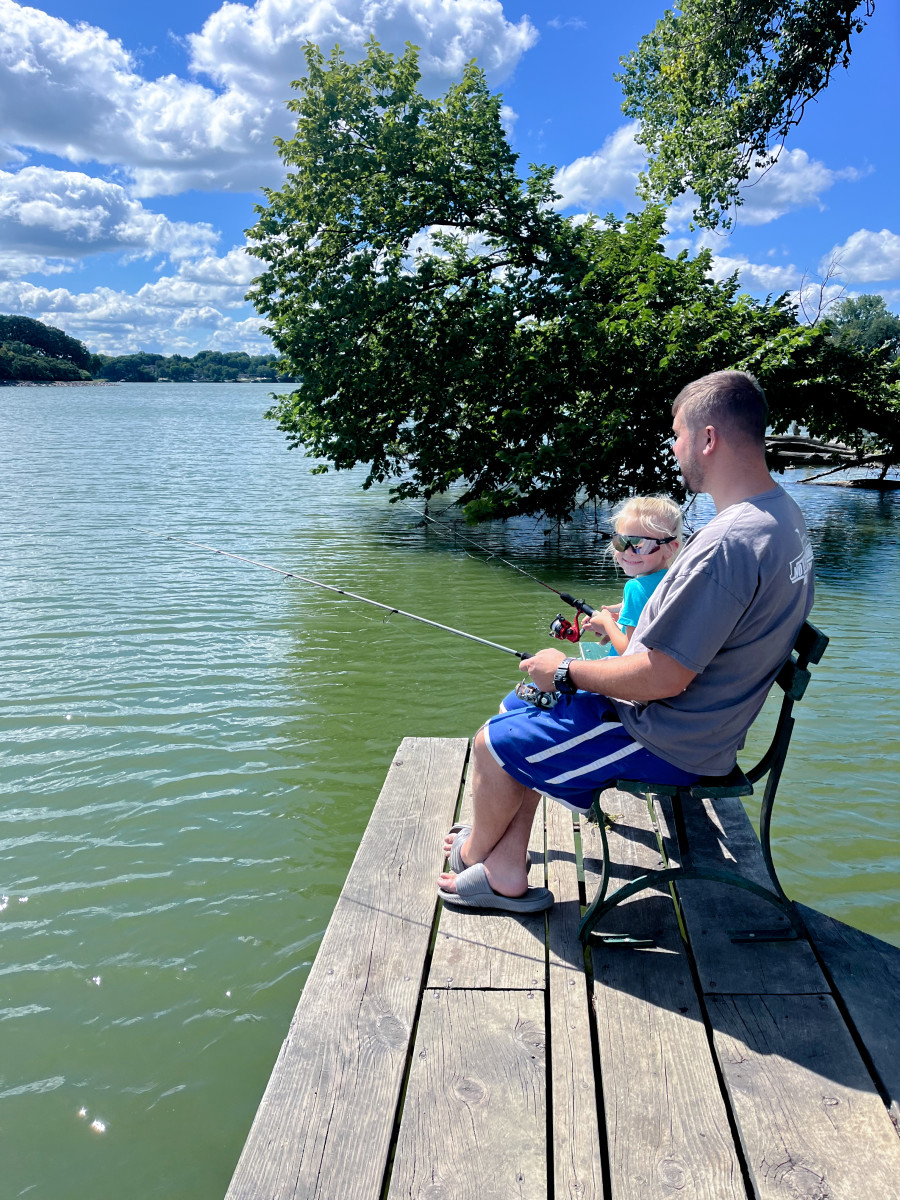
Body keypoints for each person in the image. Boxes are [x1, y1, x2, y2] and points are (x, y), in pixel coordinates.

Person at [438, 370, 814, 913]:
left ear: (708, 439)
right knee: (519, 706)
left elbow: (664, 676)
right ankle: (505, 860)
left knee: (492, 744)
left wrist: (565, 669)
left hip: (671, 737)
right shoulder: (781, 515)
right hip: (703, 720)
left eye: (678, 434)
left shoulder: (729, 543)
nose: (674, 447)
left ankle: (476, 857)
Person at [587, 494, 683, 656]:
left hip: (624, 669)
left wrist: (607, 623)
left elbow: (630, 652)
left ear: (670, 548)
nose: (629, 552)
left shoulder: (635, 588)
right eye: (621, 541)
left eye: (641, 544)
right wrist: (622, 613)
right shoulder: (674, 580)